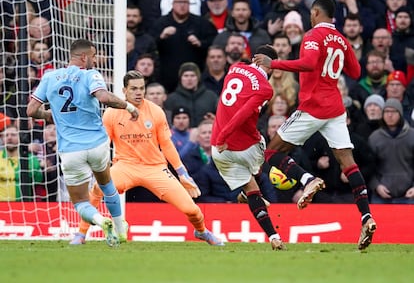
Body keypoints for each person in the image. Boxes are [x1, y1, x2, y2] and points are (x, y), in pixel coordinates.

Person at [253, 0, 376, 250]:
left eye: (311, 13)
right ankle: (366, 216)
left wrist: (274, 63)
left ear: (316, 12)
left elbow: (308, 64)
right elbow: (355, 73)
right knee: (348, 164)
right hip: (335, 108)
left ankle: (307, 179)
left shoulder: (312, 36)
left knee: (271, 152)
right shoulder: (341, 39)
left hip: (313, 107)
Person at [71, 70, 224, 246]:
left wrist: (182, 172)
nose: (138, 92)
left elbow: (166, 144)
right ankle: (81, 234)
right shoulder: (112, 114)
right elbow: (104, 144)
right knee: (98, 188)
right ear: (124, 91)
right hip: (125, 166)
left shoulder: (156, 111)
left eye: (141, 88)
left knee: (192, 210)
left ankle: (201, 231)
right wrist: (97, 168)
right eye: (134, 89)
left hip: (155, 168)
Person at [26, 39, 139, 247]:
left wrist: (51, 116)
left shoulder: (49, 77)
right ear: (84, 57)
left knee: (80, 201)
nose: (95, 61)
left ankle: (98, 220)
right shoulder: (90, 75)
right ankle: (119, 227)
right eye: (94, 56)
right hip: (97, 144)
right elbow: (104, 97)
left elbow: (31, 111)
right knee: (106, 184)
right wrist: (129, 107)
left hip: (70, 150)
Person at [211, 44, 286, 251]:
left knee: (252, 190)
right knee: (269, 150)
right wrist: (226, 135)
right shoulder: (265, 88)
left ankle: (274, 237)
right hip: (241, 144)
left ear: (254, 58)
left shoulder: (234, 68)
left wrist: (220, 137)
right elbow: (242, 113)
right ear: (270, 67)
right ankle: (305, 178)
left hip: (217, 149)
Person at [368, 98, 414, 204]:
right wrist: (376, 186)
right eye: (386, 111)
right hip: (381, 195)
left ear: (400, 114)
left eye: (393, 111)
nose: (389, 115)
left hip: (409, 195)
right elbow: (369, 167)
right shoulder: (374, 137)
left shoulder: (412, 135)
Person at [0, 125, 43, 201]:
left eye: (13, 135)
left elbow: (38, 181)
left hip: (23, 207)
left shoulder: (31, 158)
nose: (9, 138)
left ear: (20, 137)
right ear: (2, 139)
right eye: (6, 135)